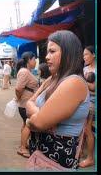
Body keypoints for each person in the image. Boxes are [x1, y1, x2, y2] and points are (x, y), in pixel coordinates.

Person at [25, 30, 89, 169]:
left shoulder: (74, 83)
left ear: (68, 53)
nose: (47, 57)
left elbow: (38, 122)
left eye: (52, 51)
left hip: (56, 164)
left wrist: (31, 121)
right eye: (47, 52)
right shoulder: (52, 79)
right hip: (40, 157)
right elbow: (28, 102)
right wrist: (37, 117)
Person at [15, 51, 39, 158]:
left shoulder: (27, 71)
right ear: (29, 60)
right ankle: (22, 148)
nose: (35, 62)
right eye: (34, 59)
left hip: (27, 103)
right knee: (28, 125)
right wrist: (19, 98)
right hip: (25, 104)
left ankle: (23, 144)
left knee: (25, 124)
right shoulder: (24, 71)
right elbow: (18, 88)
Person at [79, 45, 96, 168]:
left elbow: (93, 88)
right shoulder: (85, 69)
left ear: (93, 55)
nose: (84, 57)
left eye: (86, 54)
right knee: (81, 129)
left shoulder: (95, 70)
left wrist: (82, 81)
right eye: (83, 55)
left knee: (88, 130)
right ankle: (80, 152)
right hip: (83, 100)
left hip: (92, 102)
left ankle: (90, 158)